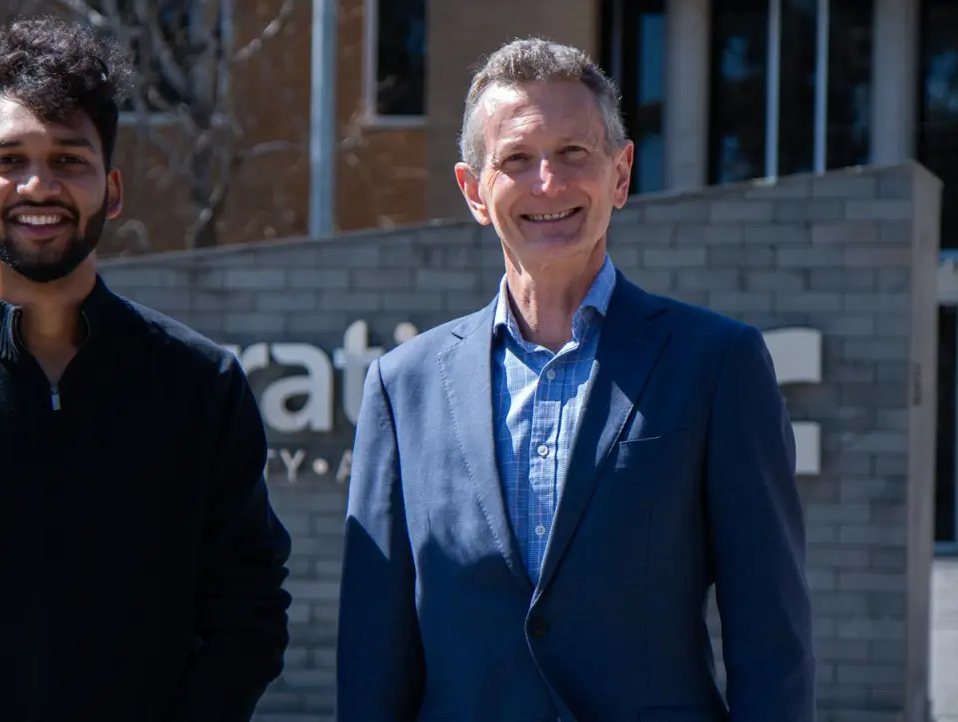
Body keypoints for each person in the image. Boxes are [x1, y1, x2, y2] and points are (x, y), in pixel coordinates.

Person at [0, 16, 292, 722]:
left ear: (113, 190)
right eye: (8, 159)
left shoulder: (201, 386)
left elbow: (248, 616)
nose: (38, 185)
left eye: (69, 159)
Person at [337, 38, 814, 722]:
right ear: (474, 191)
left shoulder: (717, 364)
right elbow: (372, 655)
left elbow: (771, 636)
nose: (548, 184)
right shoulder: (402, 386)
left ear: (620, 174)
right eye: (516, 159)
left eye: (573, 153)